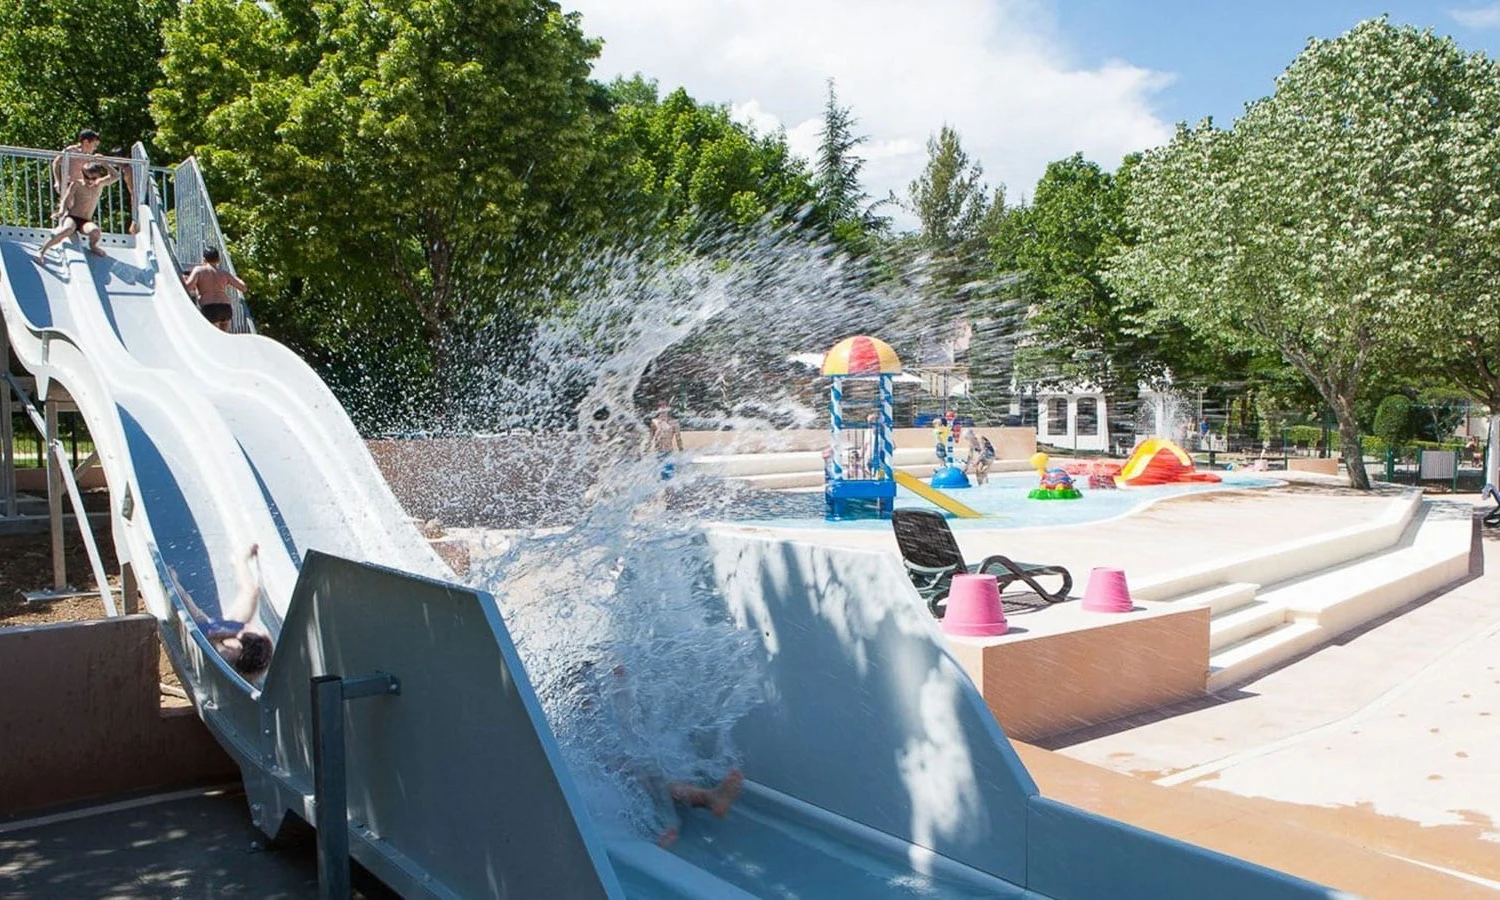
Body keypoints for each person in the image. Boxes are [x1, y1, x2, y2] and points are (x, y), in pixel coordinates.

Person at [571, 661, 744, 848]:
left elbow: (623, 715)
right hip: (607, 769)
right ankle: (675, 819)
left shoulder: (588, 720)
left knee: (643, 769)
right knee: (638, 772)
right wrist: (619, 684)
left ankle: (704, 800)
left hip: (617, 763)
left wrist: (619, 683)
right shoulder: (577, 723)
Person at [166, 543, 273, 681]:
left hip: (217, 636)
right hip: (240, 644)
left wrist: (228, 632)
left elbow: (205, 633)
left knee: (198, 618)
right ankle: (239, 560)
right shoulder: (235, 649)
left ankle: (173, 582)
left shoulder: (226, 653)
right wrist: (235, 630)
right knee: (251, 592)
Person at [35, 161, 119, 262]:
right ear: (83, 175)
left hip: (86, 221)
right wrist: (61, 211)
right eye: (87, 177)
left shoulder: (100, 184)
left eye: (93, 178)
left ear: (98, 177)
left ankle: (93, 246)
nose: (90, 181)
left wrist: (104, 163)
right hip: (73, 217)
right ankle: (42, 250)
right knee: (67, 230)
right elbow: (66, 198)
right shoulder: (77, 184)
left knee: (95, 232)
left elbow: (116, 176)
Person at [182, 246, 247, 332]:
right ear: (218, 260)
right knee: (225, 338)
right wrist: (237, 278)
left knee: (213, 339)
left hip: (210, 307)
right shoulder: (224, 274)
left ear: (204, 259)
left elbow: (188, 287)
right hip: (225, 308)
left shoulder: (199, 270)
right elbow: (243, 288)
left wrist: (182, 278)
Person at [51, 128, 101, 199]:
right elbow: (56, 163)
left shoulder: (90, 156)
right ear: (86, 142)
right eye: (94, 144)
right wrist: (57, 181)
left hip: (82, 187)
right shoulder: (71, 150)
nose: (95, 148)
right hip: (69, 185)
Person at [648, 402, 684, 479]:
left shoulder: (674, 422)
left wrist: (681, 449)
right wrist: (647, 448)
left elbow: (678, 437)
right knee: (658, 472)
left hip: (668, 450)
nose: (663, 409)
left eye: (664, 407)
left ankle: (668, 486)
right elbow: (651, 436)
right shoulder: (655, 421)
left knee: (668, 472)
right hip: (657, 450)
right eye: (661, 407)